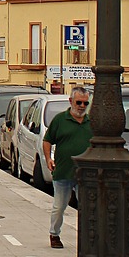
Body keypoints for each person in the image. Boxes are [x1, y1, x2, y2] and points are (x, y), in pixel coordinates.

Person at [43, 85, 92, 248]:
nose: (82, 107)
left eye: (86, 103)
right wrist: (48, 158)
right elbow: (47, 139)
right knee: (59, 206)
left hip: (85, 174)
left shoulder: (91, 122)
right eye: (79, 103)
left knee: (86, 208)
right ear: (71, 101)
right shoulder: (60, 120)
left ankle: (86, 238)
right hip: (63, 171)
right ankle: (54, 234)